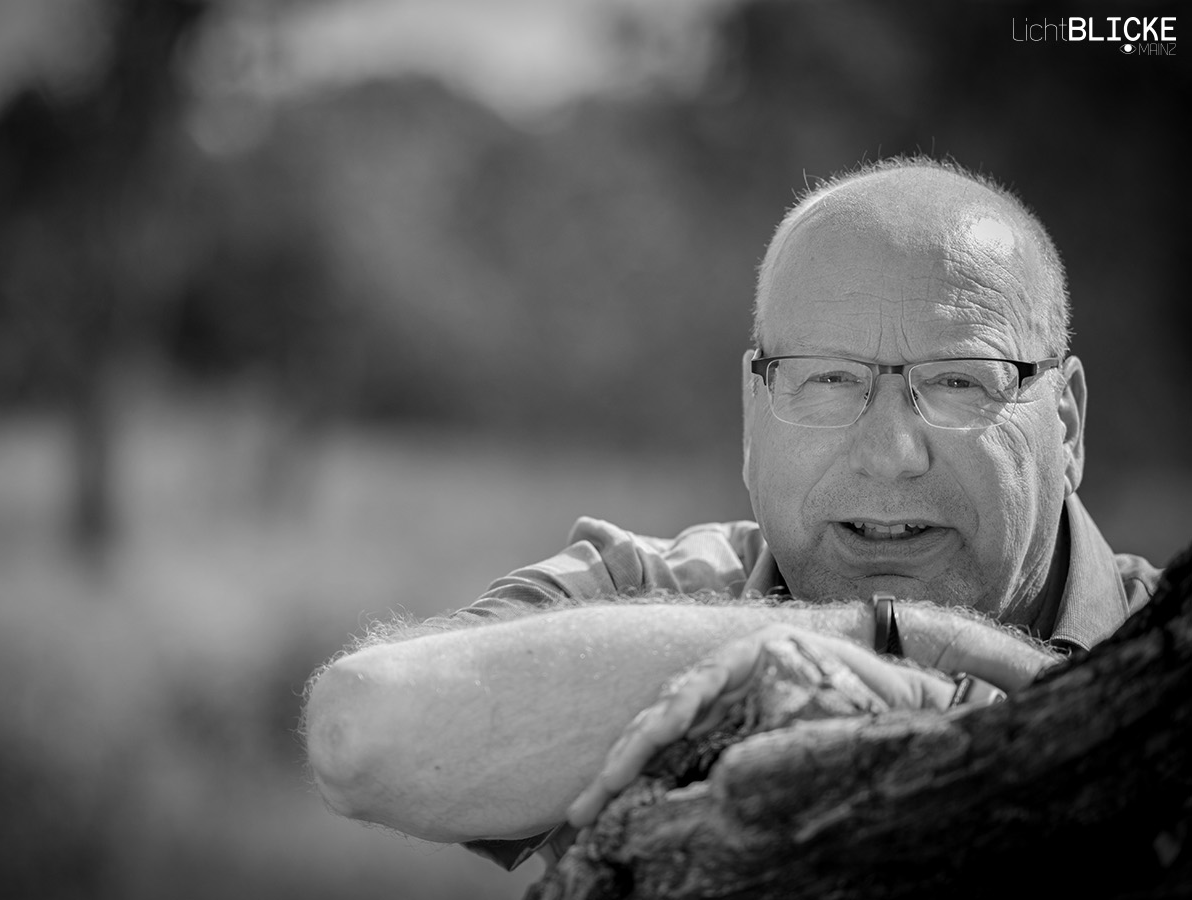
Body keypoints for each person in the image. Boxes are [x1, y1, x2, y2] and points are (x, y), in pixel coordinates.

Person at [300, 157, 1162, 871]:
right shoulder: (655, 596)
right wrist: (863, 642)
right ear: (753, 421)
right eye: (829, 379)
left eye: (959, 382)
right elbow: (361, 733)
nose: (891, 452)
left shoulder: (1169, 650)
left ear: (1067, 423)